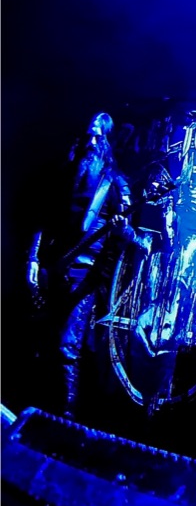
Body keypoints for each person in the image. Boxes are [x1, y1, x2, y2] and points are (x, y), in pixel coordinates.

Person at [27, 112, 149, 419]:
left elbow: (133, 237)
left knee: (66, 347)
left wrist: (122, 230)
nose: (91, 142)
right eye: (87, 136)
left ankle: (65, 418)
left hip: (86, 274)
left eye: (97, 136)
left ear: (107, 141)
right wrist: (33, 259)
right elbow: (43, 219)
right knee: (42, 343)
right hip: (53, 267)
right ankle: (38, 411)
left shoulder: (115, 183)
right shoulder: (65, 175)